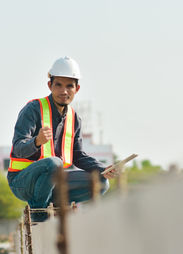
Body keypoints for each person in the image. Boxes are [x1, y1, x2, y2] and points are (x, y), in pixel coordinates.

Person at [7, 56, 116, 221]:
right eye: (58, 85)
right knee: (54, 163)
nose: (63, 91)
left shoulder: (74, 119)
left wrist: (103, 169)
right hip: (23, 181)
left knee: (100, 182)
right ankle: (39, 214)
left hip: (53, 182)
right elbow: (18, 148)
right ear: (49, 85)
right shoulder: (33, 109)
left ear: (77, 89)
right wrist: (36, 141)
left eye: (69, 86)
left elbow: (78, 156)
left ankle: (53, 205)